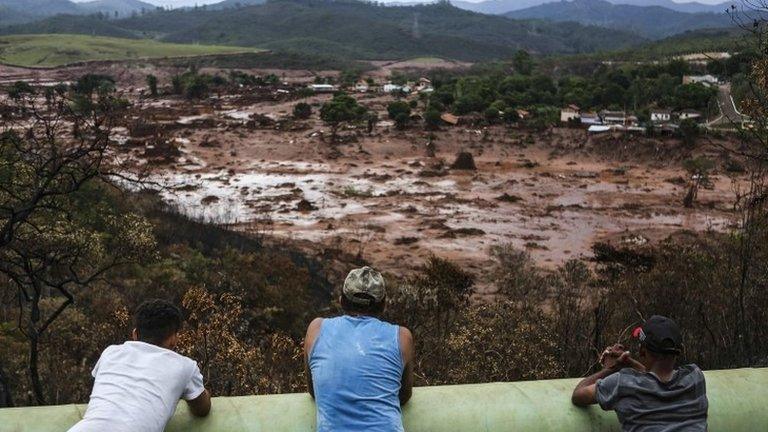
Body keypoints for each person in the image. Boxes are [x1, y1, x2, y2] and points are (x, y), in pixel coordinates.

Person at [68, 299, 211, 432]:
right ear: (174, 339)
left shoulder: (110, 353)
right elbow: (202, 409)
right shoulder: (185, 366)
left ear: (135, 334)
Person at [304, 266, 415, 432]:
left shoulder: (316, 329)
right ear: (383, 304)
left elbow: (314, 391)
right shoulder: (402, 337)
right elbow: (404, 395)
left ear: (341, 300)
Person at [571, 315, 708, 432]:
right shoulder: (696, 378)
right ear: (681, 350)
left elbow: (578, 394)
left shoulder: (622, 384)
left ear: (642, 351)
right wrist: (631, 364)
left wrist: (612, 369)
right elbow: (657, 382)